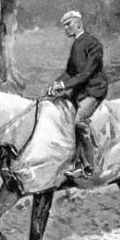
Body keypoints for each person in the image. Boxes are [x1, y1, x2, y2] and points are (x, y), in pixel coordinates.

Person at [46, 10, 109, 178]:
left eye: (69, 24)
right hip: (79, 90)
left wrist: (64, 85)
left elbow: (86, 73)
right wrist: (55, 85)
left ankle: (89, 166)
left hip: (94, 90)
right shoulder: (76, 44)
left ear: (79, 23)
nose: (66, 28)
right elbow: (70, 72)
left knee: (79, 122)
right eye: (64, 26)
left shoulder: (93, 44)